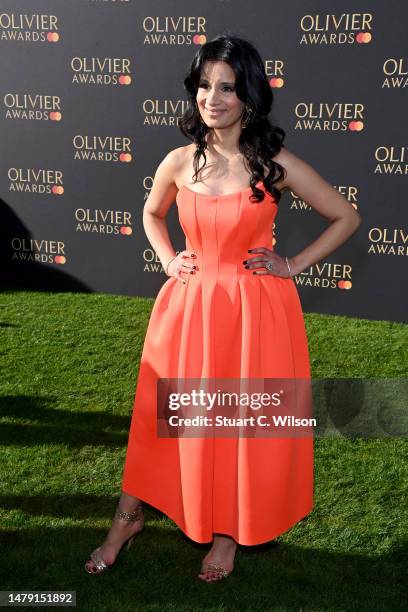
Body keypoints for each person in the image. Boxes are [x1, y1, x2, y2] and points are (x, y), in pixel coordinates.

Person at [85, 34, 361, 582]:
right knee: (160, 420)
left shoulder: (271, 164)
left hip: (254, 310)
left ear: (248, 97)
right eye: (205, 86)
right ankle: (126, 519)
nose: (213, 98)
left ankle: (228, 536)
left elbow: (345, 217)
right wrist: (168, 259)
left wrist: (291, 264)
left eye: (227, 87)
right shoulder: (178, 160)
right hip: (187, 308)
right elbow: (151, 213)